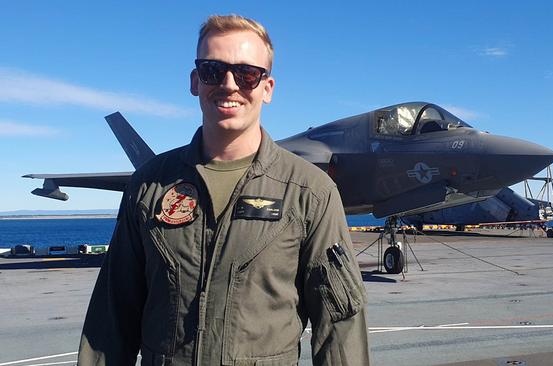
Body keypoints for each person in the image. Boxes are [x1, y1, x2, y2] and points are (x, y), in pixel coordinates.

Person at [77, 14, 370, 366]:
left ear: (267, 87)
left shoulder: (310, 191)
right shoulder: (149, 185)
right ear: (195, 81)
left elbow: (340, 327)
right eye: (213, 70)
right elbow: (111, 320)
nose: (230, 84)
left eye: (247, 74)